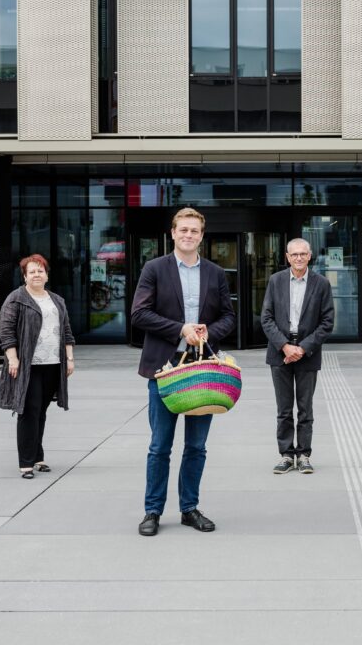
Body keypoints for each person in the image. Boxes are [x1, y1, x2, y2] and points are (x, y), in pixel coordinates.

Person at [131, 207, 236, 537]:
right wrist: (181, 329)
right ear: (173, 233)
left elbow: (229, 317)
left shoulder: (216, 273)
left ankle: (189, 508)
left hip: (203, 373)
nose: (188, 235)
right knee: (160, 446)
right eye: (183, 230)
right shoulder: (154, 269)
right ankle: (152, 511)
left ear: (202, 236)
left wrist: (207, 333)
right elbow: (139, 314)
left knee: (196, 447)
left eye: (195, 231)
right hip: (165, 371)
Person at [261, 238, 335, 475]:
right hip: (280, 353)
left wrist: (302, 348)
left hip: (307, 353)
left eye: (303, 254)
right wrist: (284, 346)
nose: (299, 258)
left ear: (310, 256)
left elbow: (326, 322)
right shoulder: (276, 281)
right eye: (295, 255)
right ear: (287, 256)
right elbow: (266, 318)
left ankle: (303, 455)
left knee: (305, 409)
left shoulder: (321, 284)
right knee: (284, 409)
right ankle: (285, 454)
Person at [0, 254, 75, 479]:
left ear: (47, 275)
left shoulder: (57, 300)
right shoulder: (16, 299)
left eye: (40, 271)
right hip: (27, 365)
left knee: (41, 411)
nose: (36, 275)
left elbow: (67, 331)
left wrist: (69, 358)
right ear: (24, 276)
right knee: (28, 411)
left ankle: (38, 456)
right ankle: (26, 463)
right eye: (32, 271)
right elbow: (6, 332)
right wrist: (13, 359)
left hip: (53, 363)